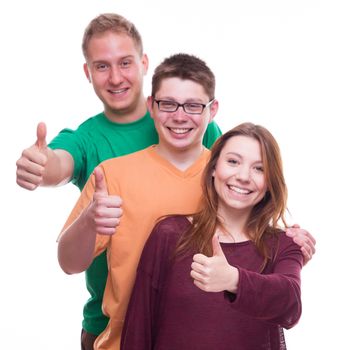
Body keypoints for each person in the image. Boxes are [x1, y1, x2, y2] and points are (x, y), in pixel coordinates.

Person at [15, 14, 222, 350]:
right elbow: (60, 162)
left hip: (194, 323)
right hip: (112, 325)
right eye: (101, 66)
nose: (115, 78)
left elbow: (241, 196)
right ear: (88, 72)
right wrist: (42, 166)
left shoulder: (197, 126)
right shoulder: (92, 146)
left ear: (143, 63)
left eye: (125, 63)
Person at [57, 53, 220, 350]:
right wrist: (89, 221)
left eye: (194, 106)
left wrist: (291, 245)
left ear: (213, 110)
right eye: (168, 104)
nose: (180, 116)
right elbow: (68, 262)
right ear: (151, 106)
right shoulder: (113, 175)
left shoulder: (229, 179)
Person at [121, 122, 304, 350]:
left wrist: (233, 280)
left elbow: (290, 305)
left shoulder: (285, 243)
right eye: (233, 162)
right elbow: (139, 328)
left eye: (260, 168)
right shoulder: (169, 233)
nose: (243, 176)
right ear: (214, 168)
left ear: (270, 182)